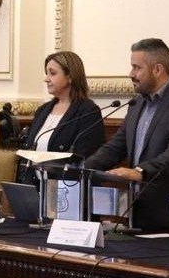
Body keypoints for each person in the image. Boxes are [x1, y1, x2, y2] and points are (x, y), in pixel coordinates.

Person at [82, 38, 169, 233]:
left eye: (137, 68)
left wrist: (140, 171)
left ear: (157, 69)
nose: (131, 74)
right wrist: (80, 169)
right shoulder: (137, 103)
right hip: (138, 214)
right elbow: (116, 146)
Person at [17, 51, 105, 183]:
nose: (46, 79)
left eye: (52, 73)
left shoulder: (87, 112)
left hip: (67, 189)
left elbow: (83, 159)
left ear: (70, 77)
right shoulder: (42, 110)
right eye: (47, 73)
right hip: (34, 188)